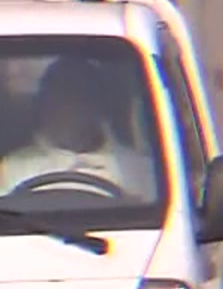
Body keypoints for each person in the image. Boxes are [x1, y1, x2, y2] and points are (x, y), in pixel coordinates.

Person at [0, 56, 156, 200]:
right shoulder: (12, 169)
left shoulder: (139, 168)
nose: (66, 109)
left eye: (76, 98)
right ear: (42, 106)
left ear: (97, 105)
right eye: (58, 98)